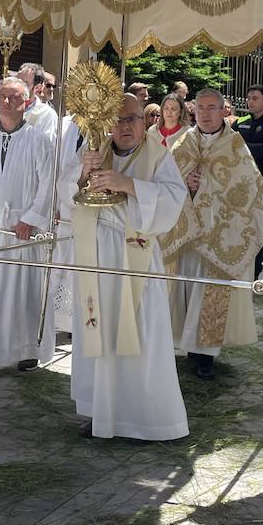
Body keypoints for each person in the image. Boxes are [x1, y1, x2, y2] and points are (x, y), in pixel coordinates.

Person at [64, 93, 189, 440]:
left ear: (145, 121)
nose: (124, 127)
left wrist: (129, 185)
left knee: (138, 334)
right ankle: (100, 411)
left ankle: (142, 417)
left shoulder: (158, 156)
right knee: (97, 330)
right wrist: (81, 173)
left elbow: (172, 200)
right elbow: (63, 195)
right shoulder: (94, 150)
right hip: (96, 256)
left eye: (132, 118)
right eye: (117, 120)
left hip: (135, 257)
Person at [161, 89, 263, 381]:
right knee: (186, 290)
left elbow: (248, 191)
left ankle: (206, 355)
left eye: (212, 107)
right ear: (193, 110)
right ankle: (185, 347)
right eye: (201, 107)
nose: (206, 113)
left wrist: (207, 187)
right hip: (186, 235)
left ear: (223, 111)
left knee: (209, 291)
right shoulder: (182, 143)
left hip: (220, 234)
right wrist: (187, 185)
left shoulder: (235, 146)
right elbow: (165, 184)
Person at [0, 75, 54, 376]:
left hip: (20, 231)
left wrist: (30, 218)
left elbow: (48, 185)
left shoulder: (39, 141)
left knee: (22, 294)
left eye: (15, 97)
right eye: (3, 96)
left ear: (27, 103)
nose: (7, 102)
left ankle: (26, 350)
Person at [234, 84, 263, 182]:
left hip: (262, 175)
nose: (250, 102)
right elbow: (229, 143)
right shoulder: (240, 122)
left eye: (255, 98)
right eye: (248, 98)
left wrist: (241, 145)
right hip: (239, 173)